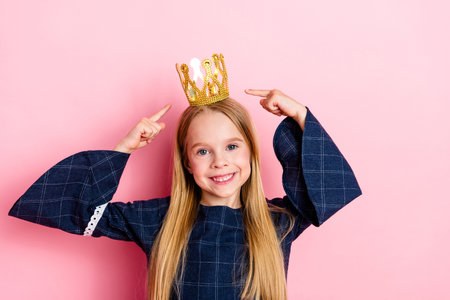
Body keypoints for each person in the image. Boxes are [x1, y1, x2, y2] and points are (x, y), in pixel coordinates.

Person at [8, 54, 362, 300]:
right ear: (187, 163)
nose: (220, 162)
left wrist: (300, 115)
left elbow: (334, 189)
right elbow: (57, 207)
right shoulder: (157, 220)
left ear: (253, 153)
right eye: (203, 151)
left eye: (232, 147)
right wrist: (123, 150)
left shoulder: (280, 222)